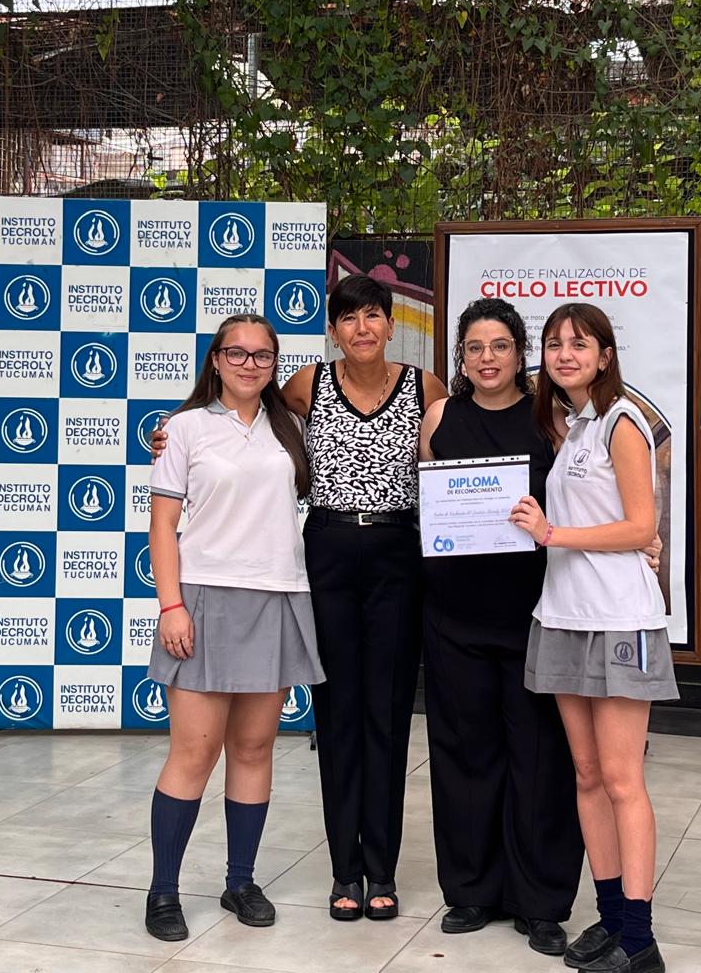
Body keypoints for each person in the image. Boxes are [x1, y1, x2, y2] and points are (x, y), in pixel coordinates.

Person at [144, 313, 324, 942]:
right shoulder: (183, 428)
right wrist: (171, 605)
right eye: (237, 353)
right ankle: (163, 892)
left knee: (253, 749)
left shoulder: (292, 427)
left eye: (262, 355)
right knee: (194, 753)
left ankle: (240, 881)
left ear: (275, 364)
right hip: (204, 600)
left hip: (277, 596)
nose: (250, 364)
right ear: (216, 360)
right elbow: (163, 525)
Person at [511, 303, 678, 973]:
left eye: (579, 344)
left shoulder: (622, 421)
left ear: (606, 355)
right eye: (554, 344)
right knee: (585, 775)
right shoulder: (573, 424)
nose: (565, 354)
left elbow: (641, 527)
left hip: (618, 617)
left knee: (621, 777)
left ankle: (638, 940)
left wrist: (551, 533)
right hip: (562, 614)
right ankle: (610, 918)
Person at [419, 298, 584, 958]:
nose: (487, 359)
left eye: (500, 346)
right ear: (461, 358)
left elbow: (585, 499)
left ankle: (540, 902)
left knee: (540, 759)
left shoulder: (552, 418)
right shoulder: (439, 417)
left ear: (521, 354)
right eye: (474, 348)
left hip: (535, 612)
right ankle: (471, 891)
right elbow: (424, 500)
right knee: (464, 753)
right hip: (453, 614)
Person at [280, 275, 446, 920]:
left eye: (373, 315)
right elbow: (247, 416)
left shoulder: (424, 387)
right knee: (338, 714)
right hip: (328, 550)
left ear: (391, 324)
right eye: (348, 318)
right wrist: (179, 432)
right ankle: (344, 873)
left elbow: (463, 457)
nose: (362, 328)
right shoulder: (308, 383)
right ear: (333, 330)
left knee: (388, 713)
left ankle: (382, 869)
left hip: (397, 555)